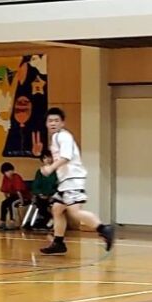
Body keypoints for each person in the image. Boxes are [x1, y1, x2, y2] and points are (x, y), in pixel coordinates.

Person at [39, 107, 114, 255]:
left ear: (62, 123)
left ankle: (104, 228)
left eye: (56, 120)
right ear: (46, 123)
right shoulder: (56, 138)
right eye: (50, 121)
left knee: (75, 212)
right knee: (57, 209)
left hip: (72, 179)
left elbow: (66, 157)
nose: (53, 123)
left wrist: (50, 168)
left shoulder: (63, 136)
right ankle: (58, 242)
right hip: (65, 181)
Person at [26, 152, 57, 228]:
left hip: (53, 195)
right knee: (40, 204)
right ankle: (50, 218)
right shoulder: (39, 172)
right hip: (42, 195)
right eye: (45, 158)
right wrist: (40, 194)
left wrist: (51, 195)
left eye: (49, 157)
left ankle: (52, 221)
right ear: (42, 160)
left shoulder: (56, 171)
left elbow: (58, 185)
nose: (47, 159)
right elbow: (36, 185)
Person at [0, 162, 28, 231]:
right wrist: (7, 199)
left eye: (10, 170)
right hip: (13, 196)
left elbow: (18, 191)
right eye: (6, 172)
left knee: (12, 203)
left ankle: (13, 222)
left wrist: (21, 201)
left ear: (13, 170)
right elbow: (4, 190)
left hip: (22, 196)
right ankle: (2, 221)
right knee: (4, 203)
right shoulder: (5, 178)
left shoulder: (16, 177)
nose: (9, 173)